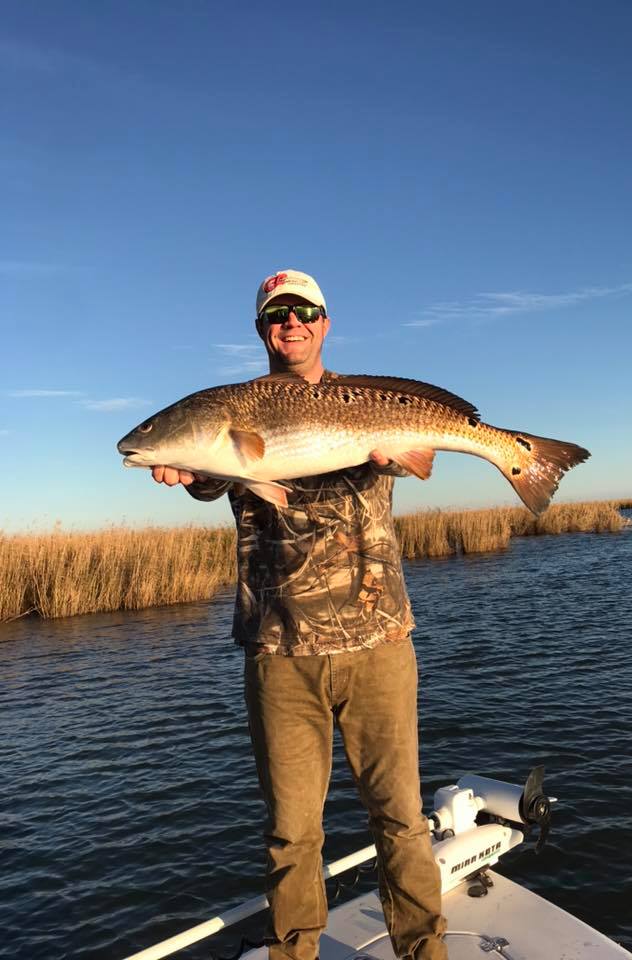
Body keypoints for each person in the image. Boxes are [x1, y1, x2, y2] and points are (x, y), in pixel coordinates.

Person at [152, 270, 447, 960]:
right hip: (278, 654)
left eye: (304, 311)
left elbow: (416, 449)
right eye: (277, 315)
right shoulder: (229, 413)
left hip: (379, 644)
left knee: (402, 819)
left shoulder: (366, 400)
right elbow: (203, 478)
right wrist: (177, 460)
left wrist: (406, 446)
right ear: (261, 329)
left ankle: (426, 953)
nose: (291, 323)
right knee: (291, 831)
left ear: (324, 321)